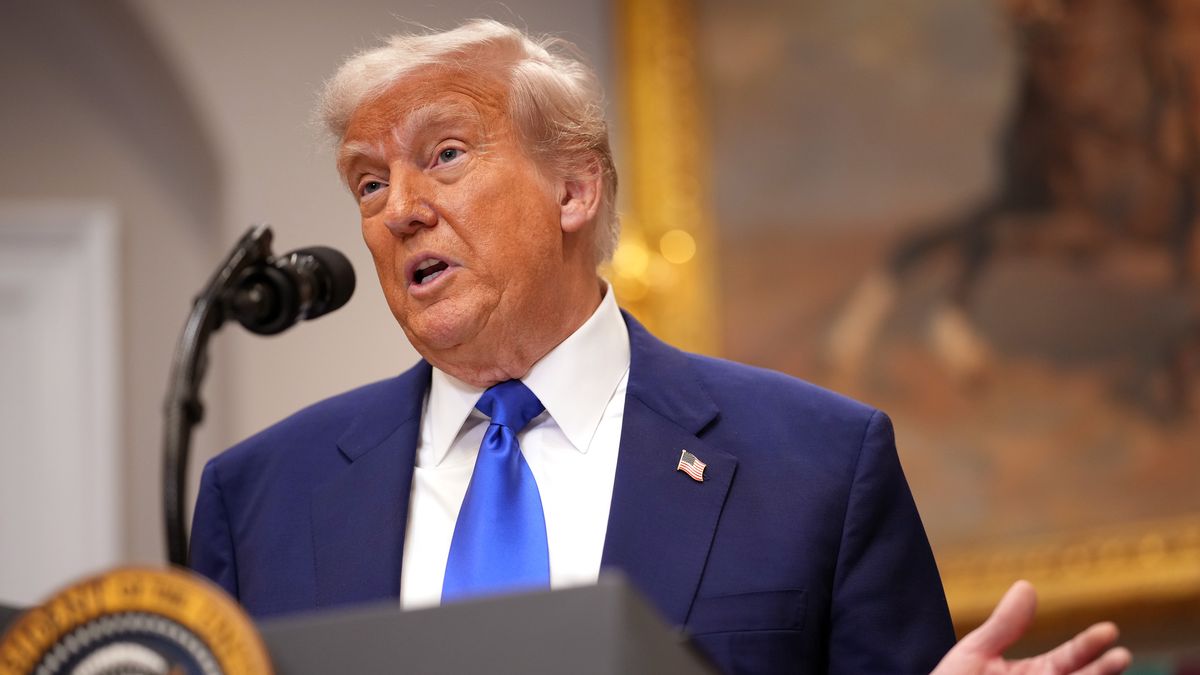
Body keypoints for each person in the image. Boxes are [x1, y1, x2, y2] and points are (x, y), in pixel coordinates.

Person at [189, 20, 1127, 674]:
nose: (398, 209)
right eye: (367, 183)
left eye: (445, 155)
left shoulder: (818, 467)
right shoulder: (262, 499)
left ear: (574, 190)